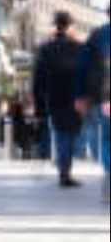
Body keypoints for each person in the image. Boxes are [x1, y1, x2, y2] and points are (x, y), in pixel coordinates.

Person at [33, 10, 85, 187]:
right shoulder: (78, 48)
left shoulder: (45, 48)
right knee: (70, 134)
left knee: (60, 133)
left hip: (54, 97)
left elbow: (38, 79)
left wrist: (39, 105)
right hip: (74, 98)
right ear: (69, 26)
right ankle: (65, 171)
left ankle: (64, 171)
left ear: (54, 25)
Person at [74, 5, 111, 199]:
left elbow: (82, 66)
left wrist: (80, 95)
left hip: (102, 97)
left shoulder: (97, 35)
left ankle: (109, 181)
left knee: (106, 139)